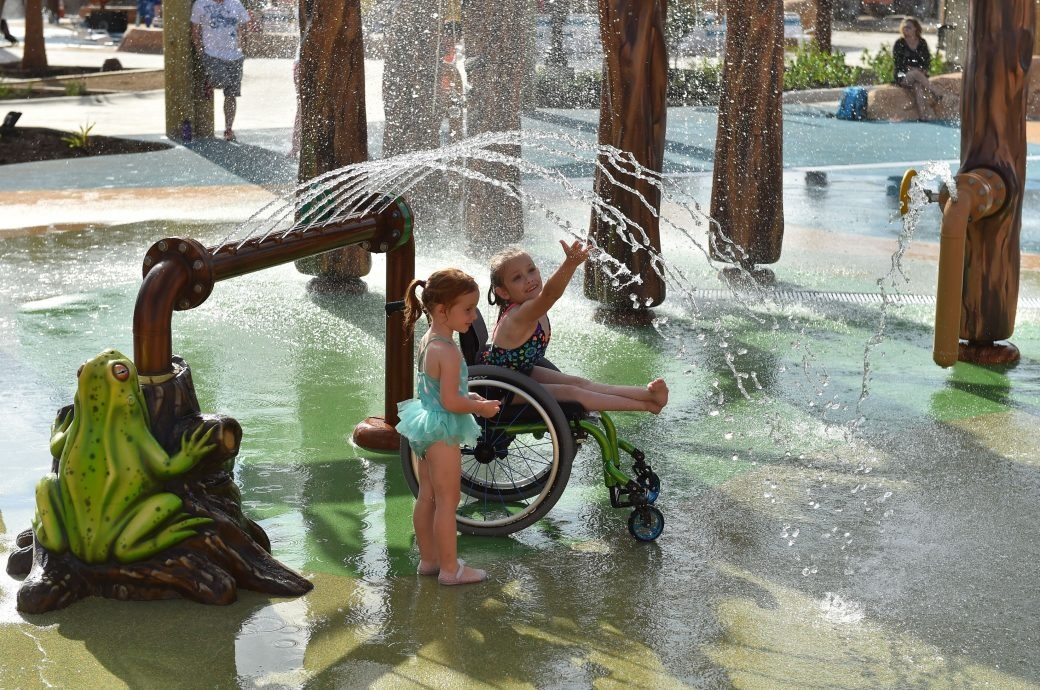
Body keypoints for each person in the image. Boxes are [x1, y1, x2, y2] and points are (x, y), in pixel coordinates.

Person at [395, 269, 502, 586]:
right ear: (442, 310)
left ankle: (429, 561)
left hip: (425, 425)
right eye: (467, 309)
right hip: (442, 431)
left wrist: (465, 393)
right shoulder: (450, 351)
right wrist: (479, 407)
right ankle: (450, 569)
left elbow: (437, 389)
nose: (474, 316)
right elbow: (451, 403)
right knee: (448, 501)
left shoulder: (429, 341)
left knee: (426, 496)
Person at [483, 241, 669, 414]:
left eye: (531, 270)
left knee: (579, 383)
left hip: (519, 374)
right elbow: (550, 294)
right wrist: (570, 264)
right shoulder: (520, 315)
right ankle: (646, 405)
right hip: (501, 390)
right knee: (572, 392)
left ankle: (648, 394)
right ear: (503, 292)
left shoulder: (529, 307)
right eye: (517, 278)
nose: (529, 279)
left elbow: (547, 296)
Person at [190, 0, 253, 141]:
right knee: (220, 80)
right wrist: (201, 52)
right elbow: (195, 30)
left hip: (235, 56)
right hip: (212, 54)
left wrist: (243, 48)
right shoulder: (200, 4)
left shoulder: (235, 3)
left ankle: (228, 129)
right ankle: (209, 82)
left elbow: (244, 25)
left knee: (231, 94)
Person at [893, 17, 943, 121]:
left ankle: (923, 117)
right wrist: (910, 68)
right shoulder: (900, 43)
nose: (906, 29)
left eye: (909, 27)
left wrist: (923, 69)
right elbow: (898, 63)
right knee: (915, 73)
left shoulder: (922, 42)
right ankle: (936, 91)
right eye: (904, 27)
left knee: (918, 87)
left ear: (916, 28)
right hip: (903, 76)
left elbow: (927, 60)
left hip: (918, 76)